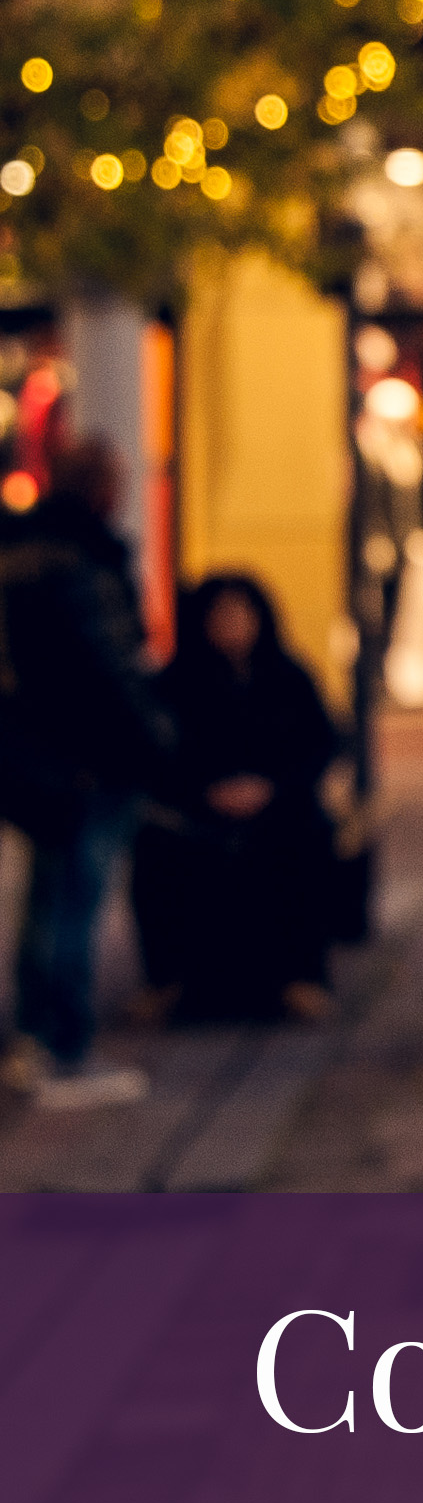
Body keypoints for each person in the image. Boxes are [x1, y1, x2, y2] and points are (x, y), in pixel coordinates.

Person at [0, 436, 168, 1108]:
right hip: (83, 761)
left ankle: (37, 1043)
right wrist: (153, 742)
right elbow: (106, 672)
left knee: (48, 899)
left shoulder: (20, 554)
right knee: (71, 901)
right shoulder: (77, 562)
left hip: (35, 758)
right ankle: (61, 1047)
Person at [131, 574, 342, 1024]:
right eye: (220, 616)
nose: (231, 625)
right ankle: (169, 979)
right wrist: (207, 792)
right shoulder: (177, 680)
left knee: (307, 839)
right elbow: (157, 755)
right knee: (157, 846)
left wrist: (271, 788)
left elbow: (320, 743)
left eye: (240, 615)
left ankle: (298, 977)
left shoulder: (288, 675)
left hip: (279, 805)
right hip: (196, 809)